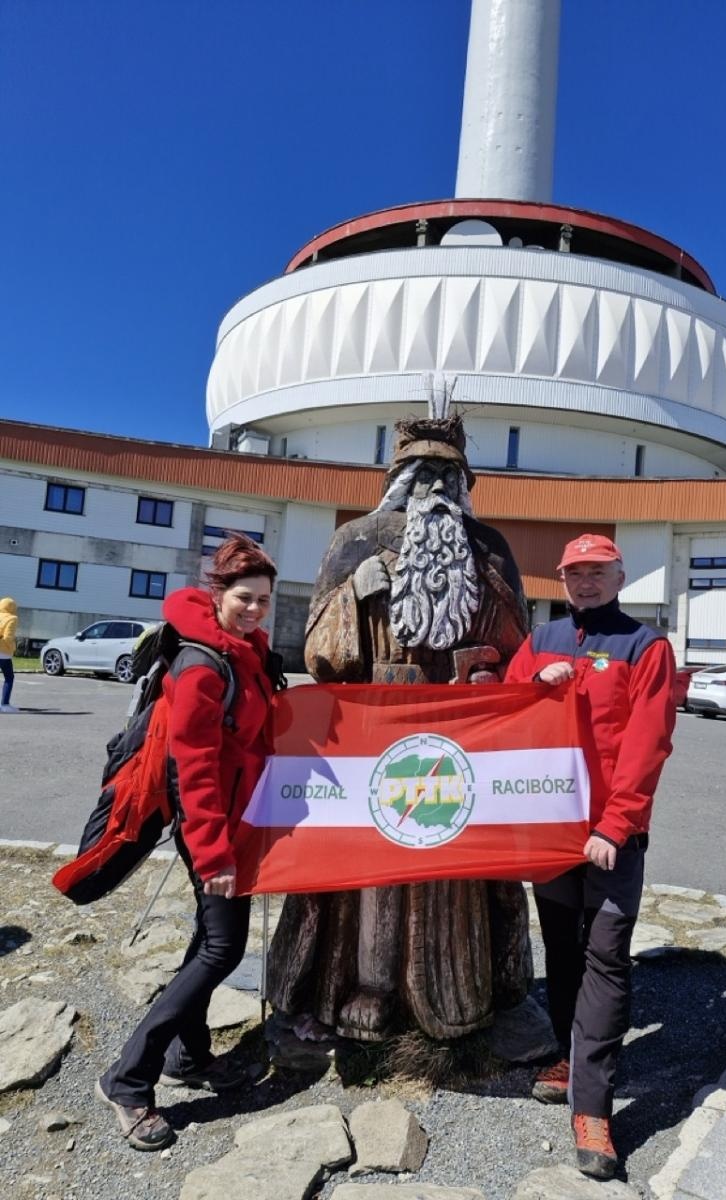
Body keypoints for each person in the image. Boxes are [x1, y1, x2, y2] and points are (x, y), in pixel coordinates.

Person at [267, 414, 532, 1043]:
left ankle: (460, 989)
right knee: (373, 871)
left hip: (462, 738)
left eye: (449, 473)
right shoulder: (355, 540)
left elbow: (516, 642)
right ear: (398, 478)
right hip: (374, 736)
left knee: (456, 864)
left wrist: (487, 644)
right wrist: (355, 594)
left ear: (465, 482)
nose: (436, 485)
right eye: (423, 471)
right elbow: (320, 655)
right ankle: (367, 985)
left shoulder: (490, 547)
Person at [96, 535, 279, 1151]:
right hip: (212, 834)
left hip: (235, 825)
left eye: (263, 601)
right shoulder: (203, 666)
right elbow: (192, 770)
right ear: (217, 595)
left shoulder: (244, 651)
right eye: (244, 598)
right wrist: (214, 855)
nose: (255, 610)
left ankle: (189, 1055)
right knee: (221, 950)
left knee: (208, 941)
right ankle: (128, 1079)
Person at [504, 533, 676, 1180]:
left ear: (619, 575)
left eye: (598, 571)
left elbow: (647, 743)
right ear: (562, 579)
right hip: (551, 832)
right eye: (576, 573)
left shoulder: (646, 646)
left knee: (606, 957)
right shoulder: (542, 639)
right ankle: (569, 1057)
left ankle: (593, 1105)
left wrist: (617, 823)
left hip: (611, 837)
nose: (586, 582)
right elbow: (504, 708)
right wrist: (531, 680)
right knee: (563, 952)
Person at [0, 597, 19, 713]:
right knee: (9, 678)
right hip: (3, 653)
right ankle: (5, 705)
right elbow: (8, 638)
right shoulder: (12, 618)